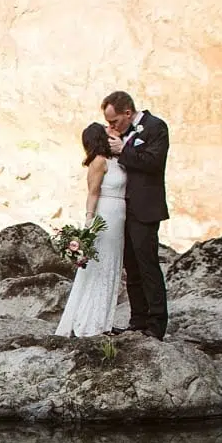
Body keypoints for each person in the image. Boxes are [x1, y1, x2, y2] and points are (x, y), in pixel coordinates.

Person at [101, 91, 170, 340]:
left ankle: (156, 323)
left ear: (128, 113)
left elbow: (154, 162)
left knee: (147, 265)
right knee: (131, 267)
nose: (111, 127)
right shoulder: (122, 132)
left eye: (114, 121)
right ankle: (137, 319)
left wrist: (123, 150)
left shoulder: (156, 127)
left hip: (145, 207)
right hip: (123, 209)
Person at [54, 123, 125, 338]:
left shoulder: (115, 160)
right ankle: (89, 322)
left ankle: (104, 319)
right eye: (106, 131)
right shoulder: (99, 162)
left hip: (120, 214)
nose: (110, 131)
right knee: (100, 265)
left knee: (112, 263)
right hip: (106, 215)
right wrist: (89, 221)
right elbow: (93, 193)